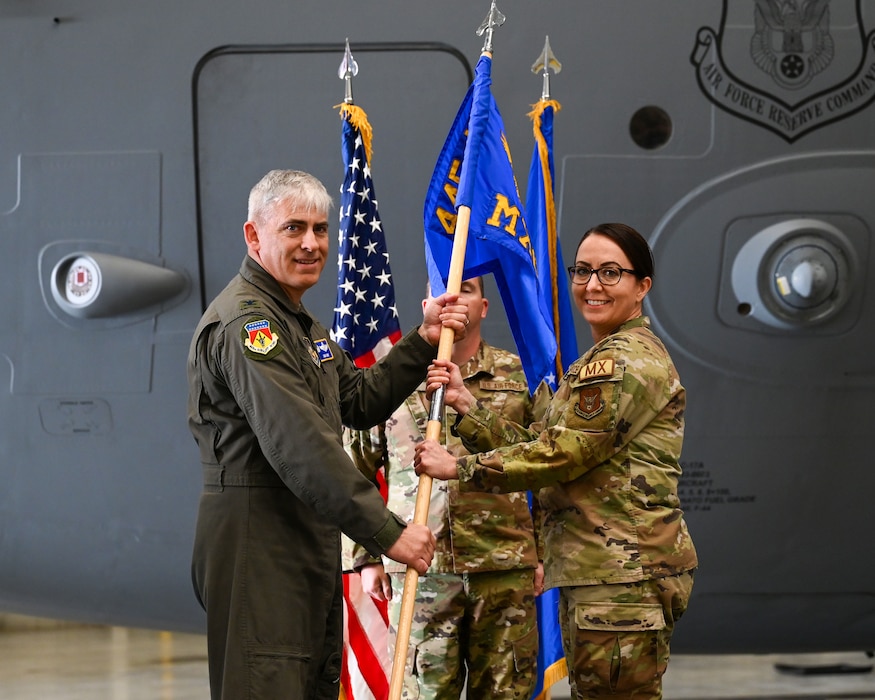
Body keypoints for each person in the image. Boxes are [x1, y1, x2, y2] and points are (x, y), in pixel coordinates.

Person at [186, 169, 469, 700]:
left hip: (300, 533)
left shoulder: (298, 324)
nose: (312, 244)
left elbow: (357, 401)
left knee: (308, 679)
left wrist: (424, 338)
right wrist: (388, 532)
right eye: (294, 229)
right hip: (259, 536)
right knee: (268, 683)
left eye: (320, 229)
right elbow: (302, 447)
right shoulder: (250, 328)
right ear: (254, 236)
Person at [414, 223, 698, 699]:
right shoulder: (602, 357)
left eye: (611, 273)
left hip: (620, 577)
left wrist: (459, 468)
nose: (592, 285)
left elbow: (563, 456)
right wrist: (468, 408)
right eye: (583, 271)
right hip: (603, 572)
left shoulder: (623, 362)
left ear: (641, 286)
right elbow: (550, 442)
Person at [343, 276, 551, 699]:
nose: (454, 297)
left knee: (506, 691)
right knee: (424, 692)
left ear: (484, 307)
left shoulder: (519, 376)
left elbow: (546, 466)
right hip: (422, 569)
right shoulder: (391, 378)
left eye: (467, 289)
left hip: (503, 566)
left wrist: (543, 551)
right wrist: (365, 556)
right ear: (426, 305)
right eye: (443, 290)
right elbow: (354, 470)